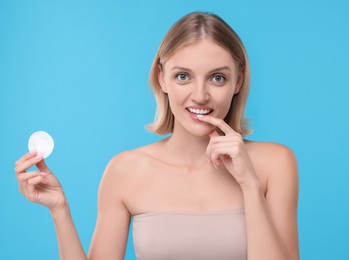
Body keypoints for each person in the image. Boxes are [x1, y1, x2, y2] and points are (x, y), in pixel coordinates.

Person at [15, 12, 299, 260]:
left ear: (238, 80)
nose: (200, 95)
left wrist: (249, 184)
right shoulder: (124, 170)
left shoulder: (275, 164)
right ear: (162, 78)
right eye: (183, 76)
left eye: (217, 78)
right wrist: (59, 210)